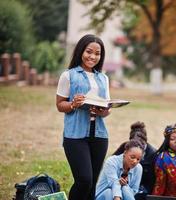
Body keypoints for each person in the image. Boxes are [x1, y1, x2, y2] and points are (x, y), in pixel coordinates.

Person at [56, 34, 110, 200]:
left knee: (92, 183)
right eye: (89, 51)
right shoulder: (68, 75)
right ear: (80, 51)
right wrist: (73, 104)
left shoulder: (103, 78)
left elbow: (106, 108)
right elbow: (60, 105)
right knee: (84, 180)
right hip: (75, 136)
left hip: (99, 135)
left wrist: (104, 110)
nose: (93, 56)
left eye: (97, 53)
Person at [113, 121, 157, 200]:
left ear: (145, 141)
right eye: (134, 145)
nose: (138, 148)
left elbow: (152, 181)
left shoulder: (153, 154)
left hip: (142, 187)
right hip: (121, 182)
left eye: (141, 144)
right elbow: (113, 165)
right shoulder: (125, 147)